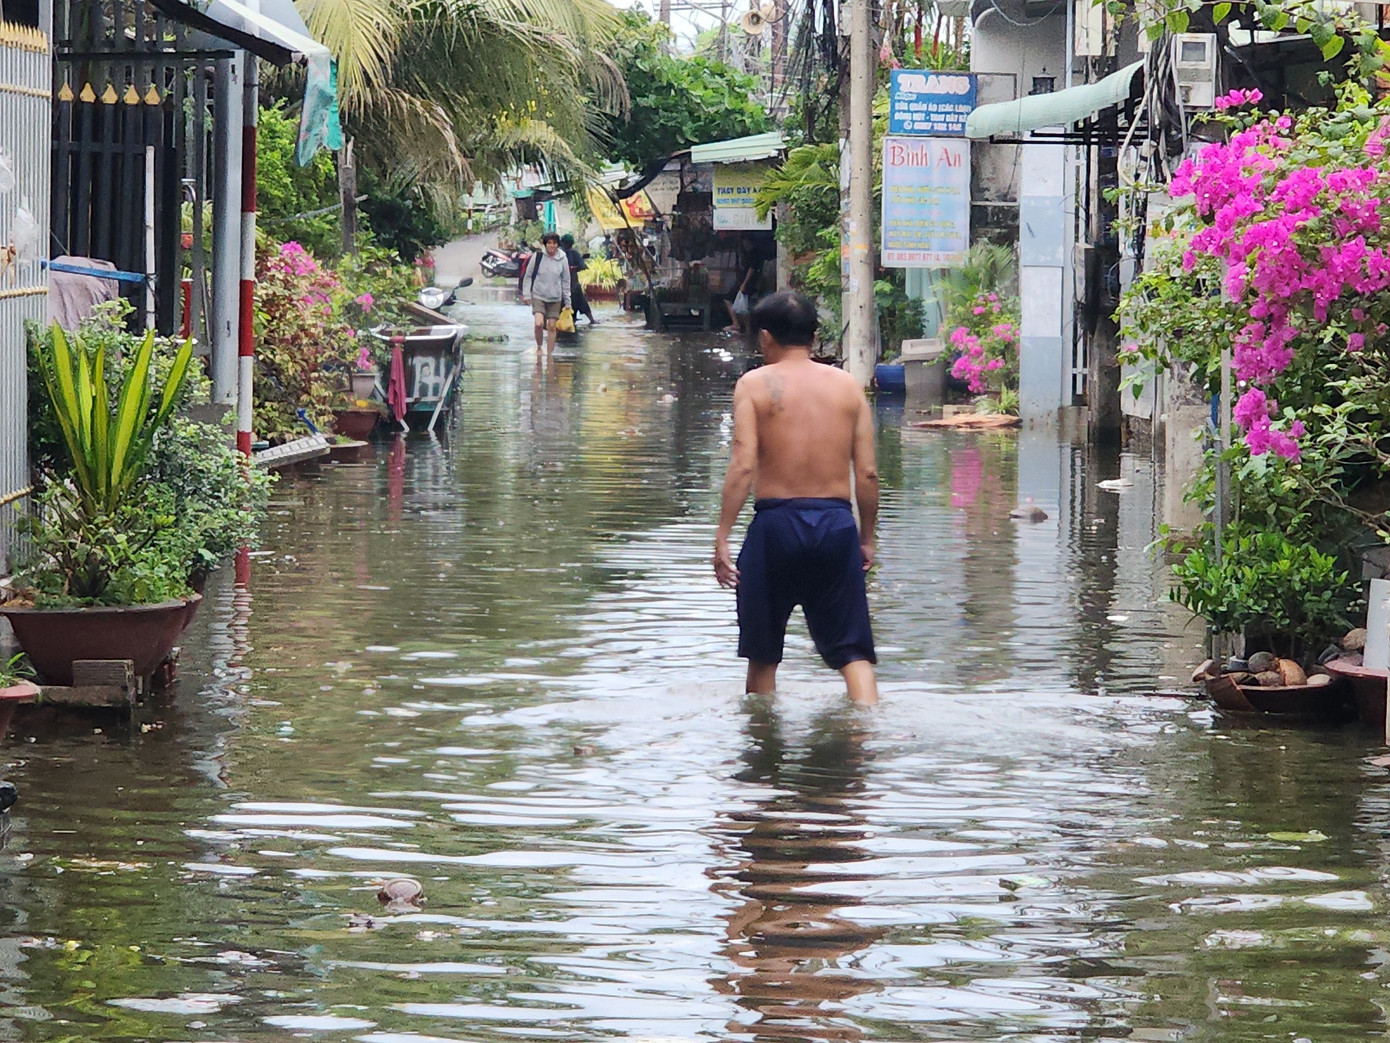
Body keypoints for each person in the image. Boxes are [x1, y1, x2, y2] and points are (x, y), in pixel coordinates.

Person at [713, 291, 880, 706]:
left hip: (775, 526)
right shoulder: (847, 387)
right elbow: (868, 473)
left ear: (766, 337)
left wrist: (722, 535)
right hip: (836, 523)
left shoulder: (753, 385)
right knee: (853, 653)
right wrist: (867, 537)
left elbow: (743, 465)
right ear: (812, 335)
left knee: (763, 655)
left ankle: (763, 749)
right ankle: (867, 733)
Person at [523, 232, 572, 354]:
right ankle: (539, 347)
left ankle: (549, 354)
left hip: (555, 297)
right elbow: (528, 275)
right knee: (539, 323)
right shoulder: (538, 256)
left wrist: (567, 301)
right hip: (538, 294)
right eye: (549, 243)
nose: (552, 246)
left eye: (554, 243)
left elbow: (566, 280)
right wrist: (526, 294)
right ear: (545, 244)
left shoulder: (563, 258)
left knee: (551, 326)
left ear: (558, 245)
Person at [721, 235, 763, 335]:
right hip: (747, 282)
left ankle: (736, 324)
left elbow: (751, 270)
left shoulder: (753, 253)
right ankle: (747, 329)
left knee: (730, 300)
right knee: (745, 306)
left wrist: (744, 283)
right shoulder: (748, 253)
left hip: (747, 283)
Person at [559, 233, 598, 325]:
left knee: (561, 303)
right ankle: (592, 320)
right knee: (581, 301)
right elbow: (582, 266)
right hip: (573, 283)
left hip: (560, 284)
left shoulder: (559, 254)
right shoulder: (575, 253)